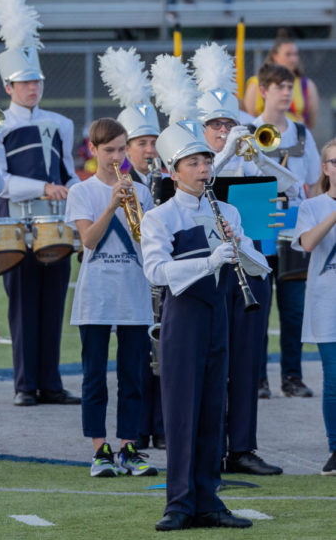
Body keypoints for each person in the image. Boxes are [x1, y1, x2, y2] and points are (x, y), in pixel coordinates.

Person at [142, 53, 266, 531]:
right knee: (182, 410)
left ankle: (209, 500)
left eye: (207, 160)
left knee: (215, 407)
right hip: (183, 319)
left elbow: (251, 259)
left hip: (220, 315)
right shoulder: (161, 217)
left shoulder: (226, 211)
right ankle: (178, 503)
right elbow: (156, 271)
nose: (203, 168)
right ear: (174, 171)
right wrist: (209, 260)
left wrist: (248, 256)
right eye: (194, 162)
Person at [0, 0, 80, 407]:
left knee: (54, 301)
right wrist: (44, 188)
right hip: (17, 222)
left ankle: (50, 382)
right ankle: (24, 384)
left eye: (35, 80)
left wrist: (78, 193)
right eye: (23, 83)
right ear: (8, 87)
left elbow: (69, 173)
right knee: (23, 304)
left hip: (56, 223)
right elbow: (0, 182)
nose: (32, 88)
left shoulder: (60, 123)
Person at [193, 43, 293, 476]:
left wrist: (258, 154)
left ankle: (244, 447)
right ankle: (211, 447)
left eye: (229, 123)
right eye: (215, 125)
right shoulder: (192, 162)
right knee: (215, 360)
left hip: (253, 267)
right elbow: (200, 187)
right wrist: (227, 153)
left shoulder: (251, 161)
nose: (223, 130)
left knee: (249, 358)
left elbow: (292, 186)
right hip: (212, 272)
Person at [65, 117, 157, 478]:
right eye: (109, 151)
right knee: (94, 376)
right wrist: (112, 206)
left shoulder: (142, 191)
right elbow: (88, 241)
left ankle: (129, 447)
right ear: (93, 150)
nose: (116, 158)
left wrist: (134, 202)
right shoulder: (81, 192)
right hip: (97, 295)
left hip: (133, 293)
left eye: (121, 150)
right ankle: (99, 449)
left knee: (133, 375)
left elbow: (147, 242)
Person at [99, 46, 165, 450]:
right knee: (137, 359)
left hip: (159, 274)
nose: (148, 149)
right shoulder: (119, 179)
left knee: (163, 354)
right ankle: (135, 431)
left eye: (153, 141)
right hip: (125, 275)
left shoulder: (162, 176)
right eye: (140, 142)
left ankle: (160, 425)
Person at [254, 61, 321, 399]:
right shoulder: (247, 130)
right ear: (264, 90)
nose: (285, 92)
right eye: (279, 86)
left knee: (293, 309)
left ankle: (292, 377)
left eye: (289, 86)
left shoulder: (302, 133)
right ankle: (258, 378)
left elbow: (312, 182)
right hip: (260, 225)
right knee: (259, 306)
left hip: (293, 226)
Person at [292, 138, 336, 475]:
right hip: (327, 305)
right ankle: (335, 447)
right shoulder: (312, 207)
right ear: (325, 168)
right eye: (334, 162)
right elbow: (307, 243)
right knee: (334, 379)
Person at [242, 29, 320, 128]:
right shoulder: (256, 83)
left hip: (296, 139)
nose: (293, 59)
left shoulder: (307, 84)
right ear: (275, 56)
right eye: (288, 54)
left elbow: (311, 122)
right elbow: (249, 119)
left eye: (295, 54)